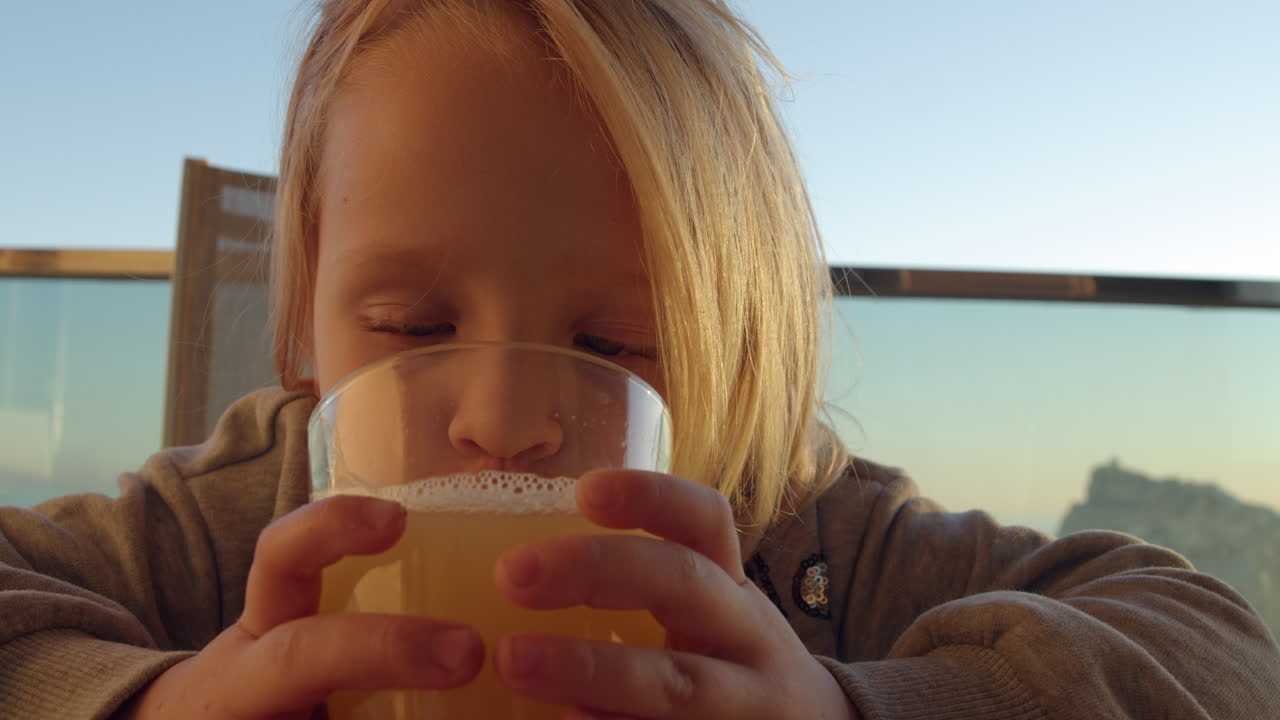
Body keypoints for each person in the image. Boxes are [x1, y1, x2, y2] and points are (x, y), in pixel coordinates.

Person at [2, 0, 1277, 718]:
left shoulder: (817, 538)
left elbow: (1217, 648)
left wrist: (847, 705)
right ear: (300, 334)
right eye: (412, 328)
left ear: (737, 353)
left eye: (613, 344)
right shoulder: (236, 516)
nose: (503, 419)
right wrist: (149, 705)